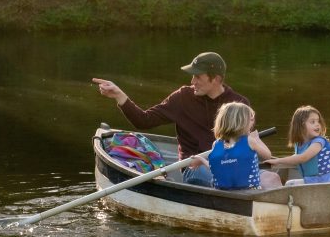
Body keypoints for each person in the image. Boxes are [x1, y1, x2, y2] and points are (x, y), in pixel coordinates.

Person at [92, 52, 249, 187]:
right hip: (194, 167)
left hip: (230, 165)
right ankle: (239, 189)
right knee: (208, 173)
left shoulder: (239, 104)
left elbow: (248, 144)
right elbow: (144, 120)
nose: (192, 81)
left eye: (198, 76)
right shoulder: (182, 98)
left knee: (268, 175)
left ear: (215, 79)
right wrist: (120, 95)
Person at [192, 102, 282, 190]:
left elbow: (215, 168)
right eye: (250, 120)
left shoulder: (216, 144)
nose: (253, 123)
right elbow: (268, 155)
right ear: (241, 122)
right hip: (249, 190)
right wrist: (257, 139)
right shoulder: (250, 141)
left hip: (222, 190)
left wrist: (201, 160)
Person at [264, 105, 330, 185]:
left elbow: (303, 157)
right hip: (315, 180)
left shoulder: (318, 142)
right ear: (301, 125)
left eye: (318, 121)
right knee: (285, 173)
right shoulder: (300, 144)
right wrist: (280, 162)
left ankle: (280, 194)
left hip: (326, 181)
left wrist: (278, 161)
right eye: (312, 122)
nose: (317, 124)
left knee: (290, 184)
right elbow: (296, 157)